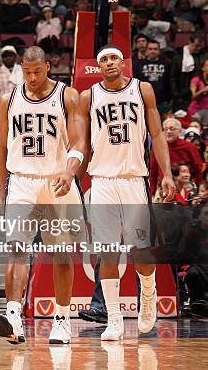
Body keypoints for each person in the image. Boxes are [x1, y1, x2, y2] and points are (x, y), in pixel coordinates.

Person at [81, 44, 176, 341]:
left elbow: (157, 134)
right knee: (108, 253)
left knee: (140, 251)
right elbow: (83, 143)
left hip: (134, 178)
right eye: (103, 59)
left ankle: (149, 293)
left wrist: (168, 175)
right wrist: (73, 177)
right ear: (98, 66)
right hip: (102, 181)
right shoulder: (89, 97)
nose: (109, 63)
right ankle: (115, 319)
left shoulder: (142, 89)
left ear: (123, 63)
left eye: (113, 58)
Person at [0, 46, 87, 345]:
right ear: (21, 68)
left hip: (56, 181)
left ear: (48, 67)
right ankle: (12, 317)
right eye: (27, 72)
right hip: (21, 181)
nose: (32, 78)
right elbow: (2, 148)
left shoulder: (67, 95)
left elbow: (79, 141)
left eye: (37, 71)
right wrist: (4, 187)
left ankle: (61, 319)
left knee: (60, 255)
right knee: (16, 248)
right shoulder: (8, 100)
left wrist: (70, 171)